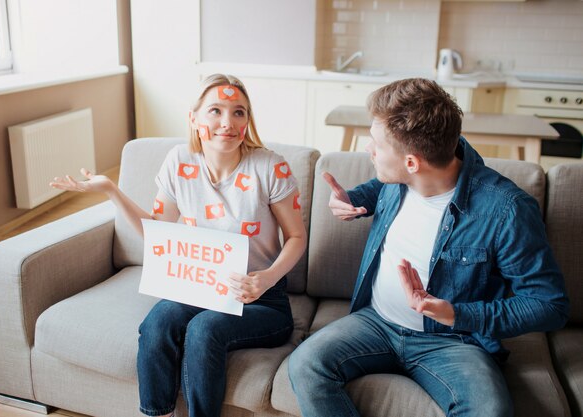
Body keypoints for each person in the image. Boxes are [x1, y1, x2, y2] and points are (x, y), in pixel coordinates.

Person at [287, 78, 569, 417]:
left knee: (490, 411)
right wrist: (355, 200)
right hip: (376, 322)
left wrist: (456, 314)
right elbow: (381, 184)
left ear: (411, 162)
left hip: (452, 340)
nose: (368, 149)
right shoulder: (407, 173)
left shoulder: (507, 210)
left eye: (376, 144)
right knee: (305, 365)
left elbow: (549, 305)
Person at [50, 74, 306, 417]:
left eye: (239, 112)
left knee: (204, 330)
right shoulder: (179, 162)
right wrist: (112, 190)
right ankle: (156, 414)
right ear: (194, 118)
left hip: (262, 301)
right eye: (215, 110)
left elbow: (297, 237)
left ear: (248, 120)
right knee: (157, 323)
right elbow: (159, 231)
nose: (227, 123)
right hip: (199, 289)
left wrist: (269, 277)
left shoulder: (270, 166)